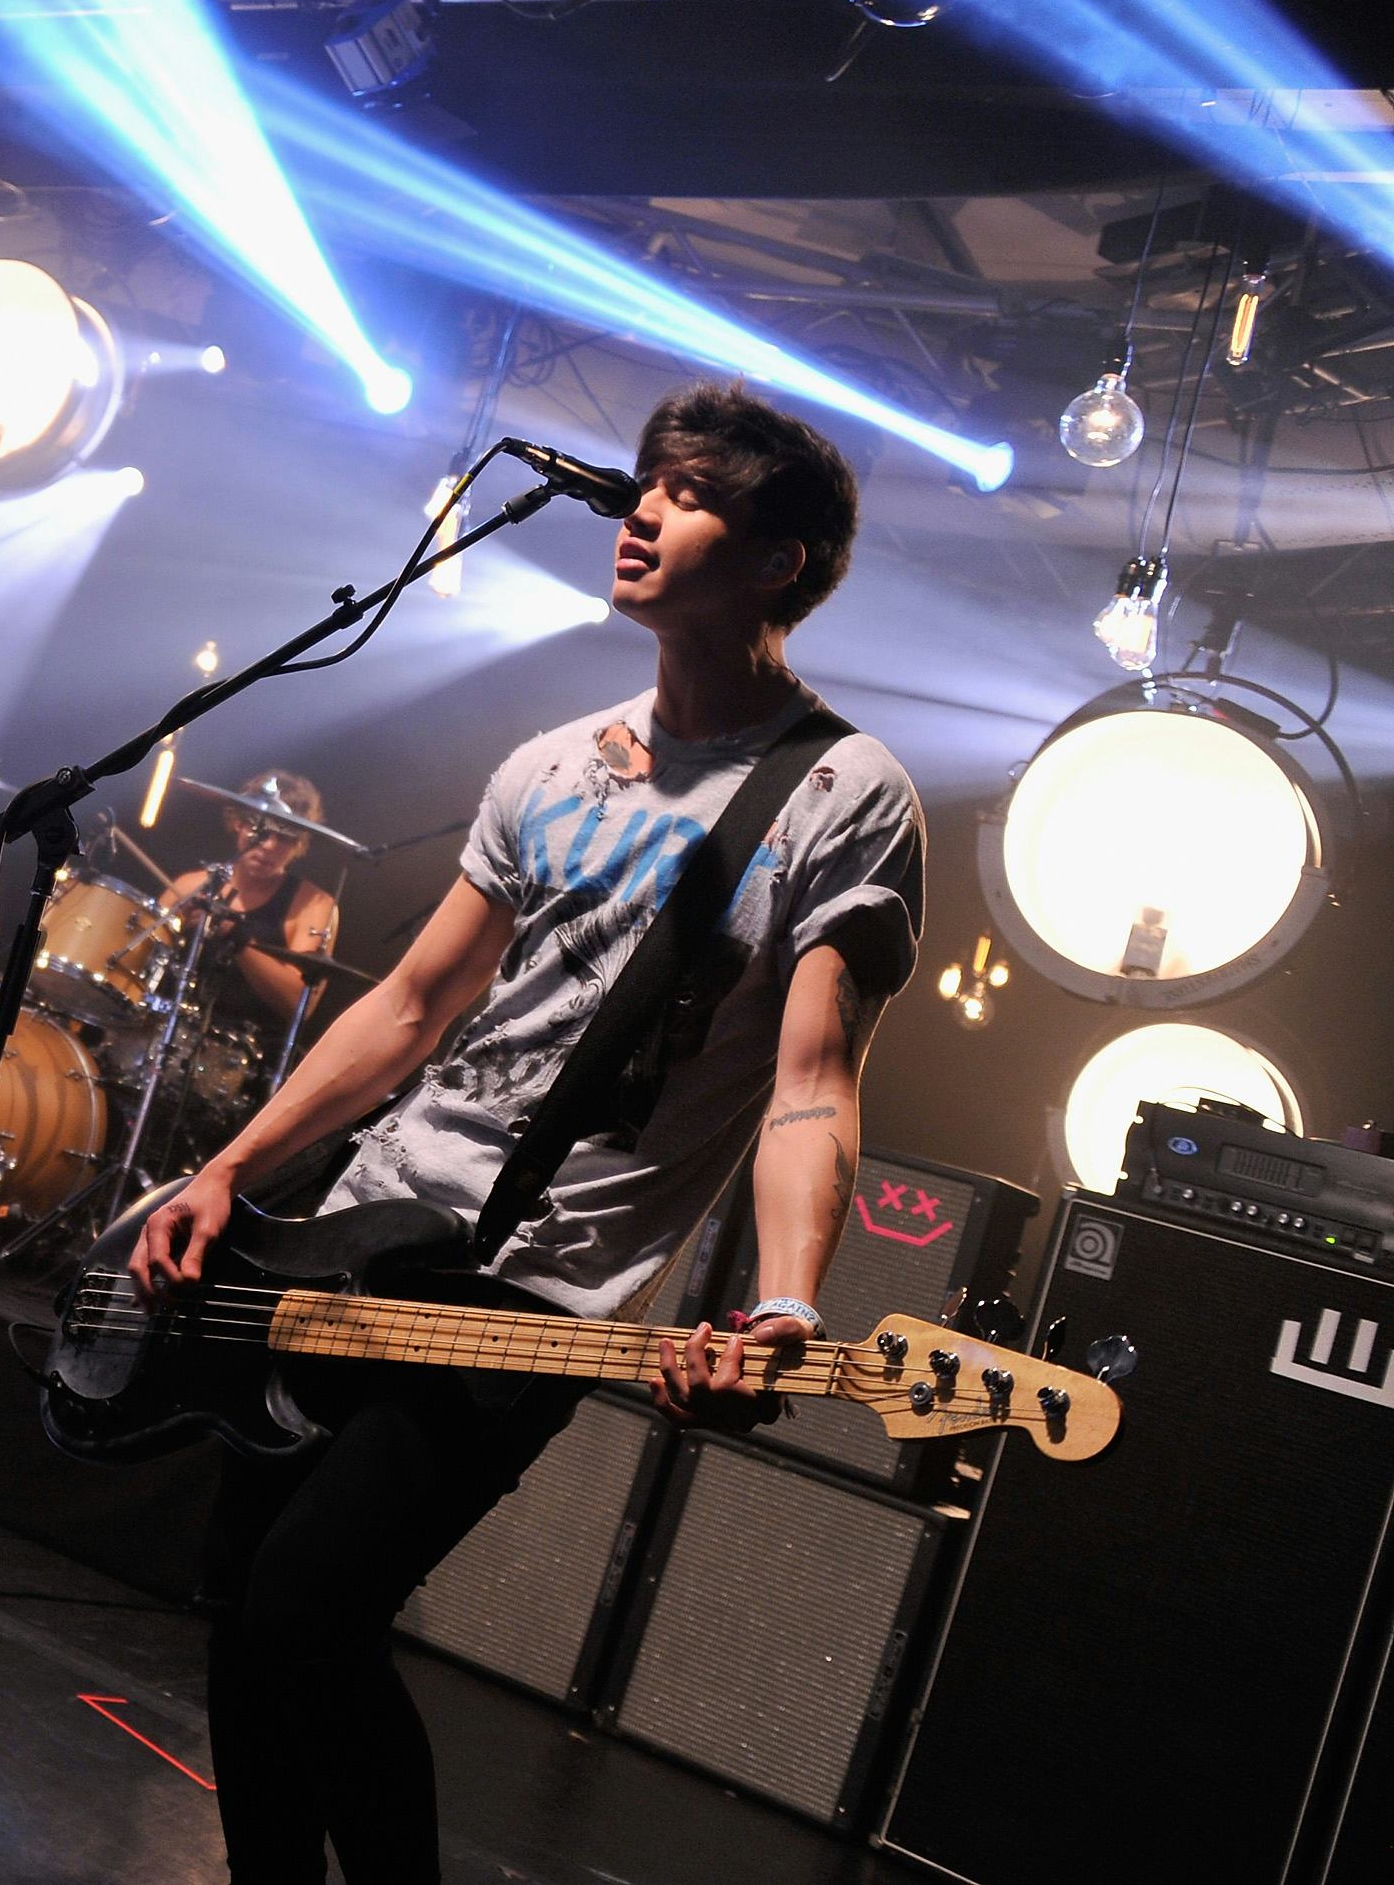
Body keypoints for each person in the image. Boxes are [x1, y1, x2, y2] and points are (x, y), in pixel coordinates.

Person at [131, 382, 925, 1883]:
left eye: (694, 495)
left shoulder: (842, 793)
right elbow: (410, 1005)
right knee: (244, 1610)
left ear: (779, 562)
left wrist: (786, 1304)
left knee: (311, 1607)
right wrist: (231, 1170)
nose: (644, 509)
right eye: (649, 481)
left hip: (529, 1294)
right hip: (355, 1231)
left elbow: (814, 1078)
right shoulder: (554, 761)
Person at [160, 769, 341, 1043]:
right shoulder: (189, 885)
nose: (269, 846)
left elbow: (299, 1004)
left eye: (284, 837)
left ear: (300, 842)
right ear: (240, 823)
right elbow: (135, 954)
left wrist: (237, 937)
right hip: (162, 1032)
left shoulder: (313, 905)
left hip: (241, 1054)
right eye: (261, 831)